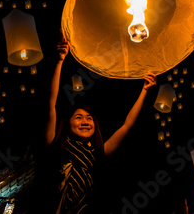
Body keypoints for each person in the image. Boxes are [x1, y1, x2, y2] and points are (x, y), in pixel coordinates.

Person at [36, 30, 157, 214]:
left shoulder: (97, 152)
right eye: (78, 117)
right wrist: (60, 61)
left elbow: (127, 125)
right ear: (67, 125)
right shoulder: (54, 146)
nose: (85, 122)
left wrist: (145, 91)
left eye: (89, 118)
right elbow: (50, 103)